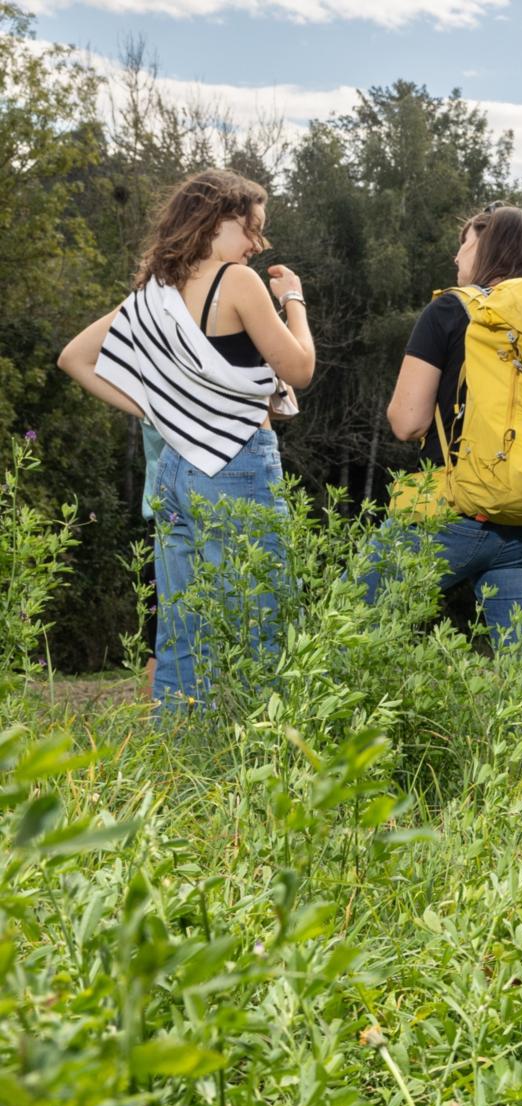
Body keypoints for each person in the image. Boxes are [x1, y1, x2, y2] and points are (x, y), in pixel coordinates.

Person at [57, 169, 314, 705]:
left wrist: (160, 412)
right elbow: (301, 366)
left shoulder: (155, 294)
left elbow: (75, 358)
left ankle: (179, 767)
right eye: (251, 228)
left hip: (175, 470)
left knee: (181, 634)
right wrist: (294, 299)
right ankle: (259, 766)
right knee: (262, 623)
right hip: (238, 465)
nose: (256, 244)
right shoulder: (237, 282)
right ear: (218, 219)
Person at [372, 204, 522, 707]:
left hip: (455, 510)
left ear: (484, 249)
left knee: (352, 621)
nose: (456, 253)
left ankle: (339, 763)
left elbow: (407, 420)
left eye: (464, 242)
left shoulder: (449, 310)